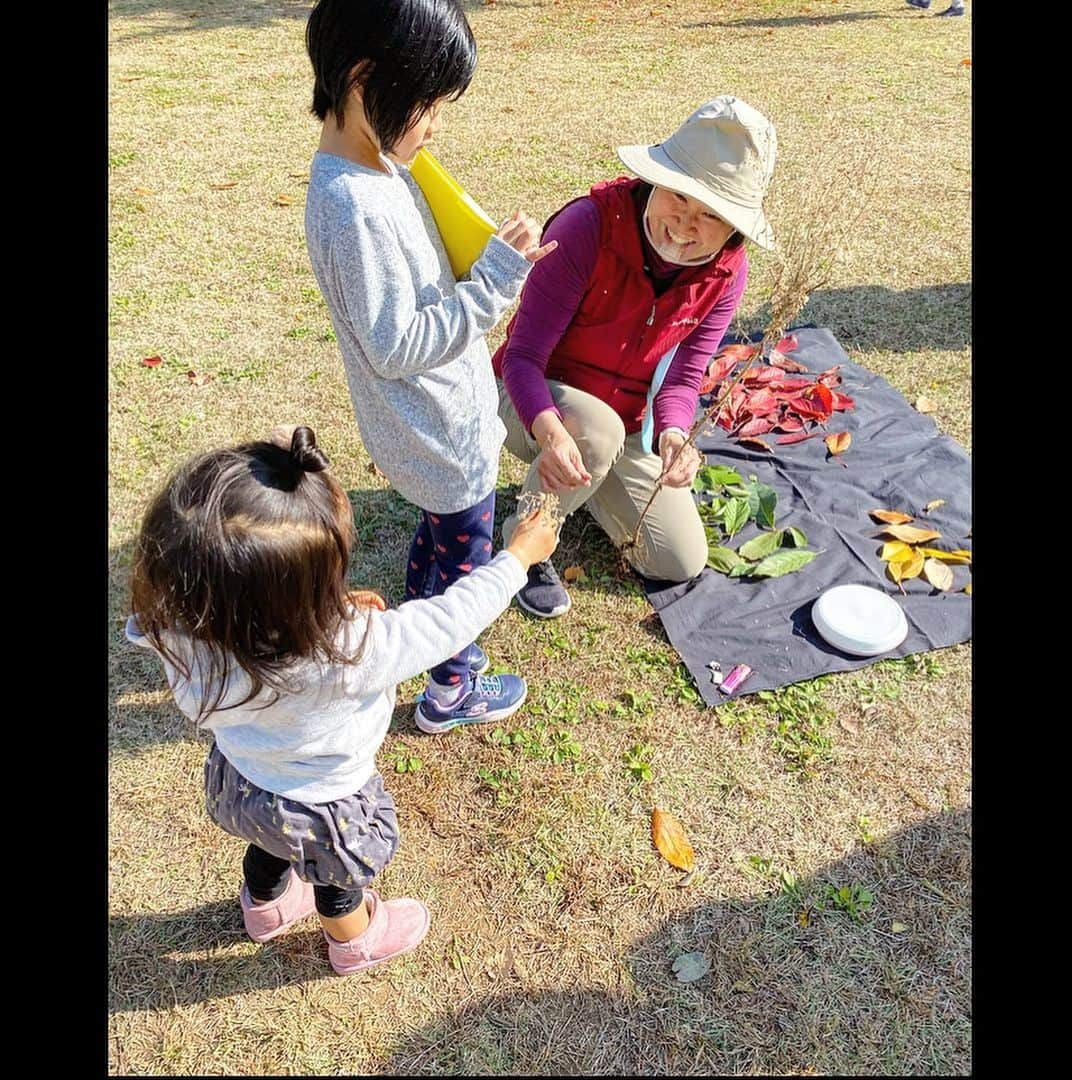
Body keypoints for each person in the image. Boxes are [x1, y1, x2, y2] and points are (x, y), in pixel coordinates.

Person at [126, 426, 556, 976]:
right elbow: (451, 621)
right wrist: (517, 557)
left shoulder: (182, 631)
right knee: (338, 882)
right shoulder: (355, 648)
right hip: (325, 805)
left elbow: (249, 609)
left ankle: (264, 908)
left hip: (243, 781)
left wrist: (315, 611)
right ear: (294, 600)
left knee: (269, 843)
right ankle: (355, 941)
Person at [303, 0, 557, 728]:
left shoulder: (372, 171)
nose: (436, 122)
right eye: (429, 103)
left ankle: (416, 618)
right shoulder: (354, 207)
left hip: (430, 429)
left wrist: (476, 250)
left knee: (441, 544)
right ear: (364, 79)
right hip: (438, 434)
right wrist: (494, 285)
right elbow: (396, 344)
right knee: (467, 564)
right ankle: (451, 686)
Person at [492, 96, 777, 618]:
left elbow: (685, 378)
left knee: (679, 558)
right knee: (593, 433)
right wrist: (552, 432)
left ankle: (587, 478)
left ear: (734, 230)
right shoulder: (587, 228)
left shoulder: (729, 273)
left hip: (626, 422)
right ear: (655, 183)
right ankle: (524, 546)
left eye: (711, 216)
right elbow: (523, 357)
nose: (686, 225)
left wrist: (672, 433)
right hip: (529, 398)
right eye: (679, 197)